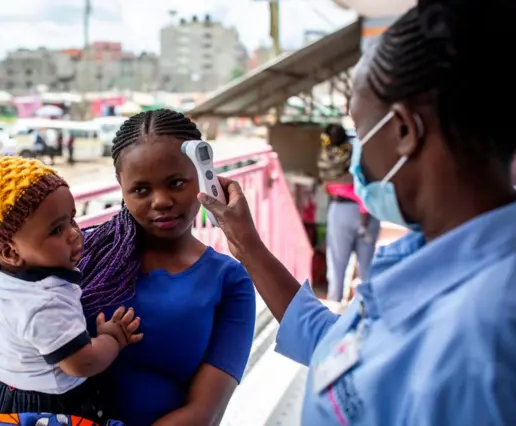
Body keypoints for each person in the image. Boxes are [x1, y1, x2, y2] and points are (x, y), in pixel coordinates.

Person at [198, 1, 516, 424]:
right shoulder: (433, 256)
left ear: (404, 130)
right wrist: (248, 245)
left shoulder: (486, 335)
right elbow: (345, 351)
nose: (355, 158)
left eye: (361, 129)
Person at [78, 109, 256, 426]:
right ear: (121, 185)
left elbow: (204, 414)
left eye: (176, 183)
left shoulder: (229, 281)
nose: (161, 201)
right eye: (141, 190)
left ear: (204, 177)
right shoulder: (82, 255)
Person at [0, 151, 141, 425]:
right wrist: (112, 339)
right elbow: (82, 363)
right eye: (56, 230)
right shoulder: (45, 300)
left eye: (72, 219)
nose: (74, 233)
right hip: (44, 407)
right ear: (10, 251)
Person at [318, 124, 380, 302]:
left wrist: (335, 185)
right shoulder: (360, 150)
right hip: (369, 209)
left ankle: (335, 312)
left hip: (341, 210)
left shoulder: (326, 155)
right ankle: (366, 315)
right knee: (367, 269)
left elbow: (326, 183)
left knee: (337, 268)